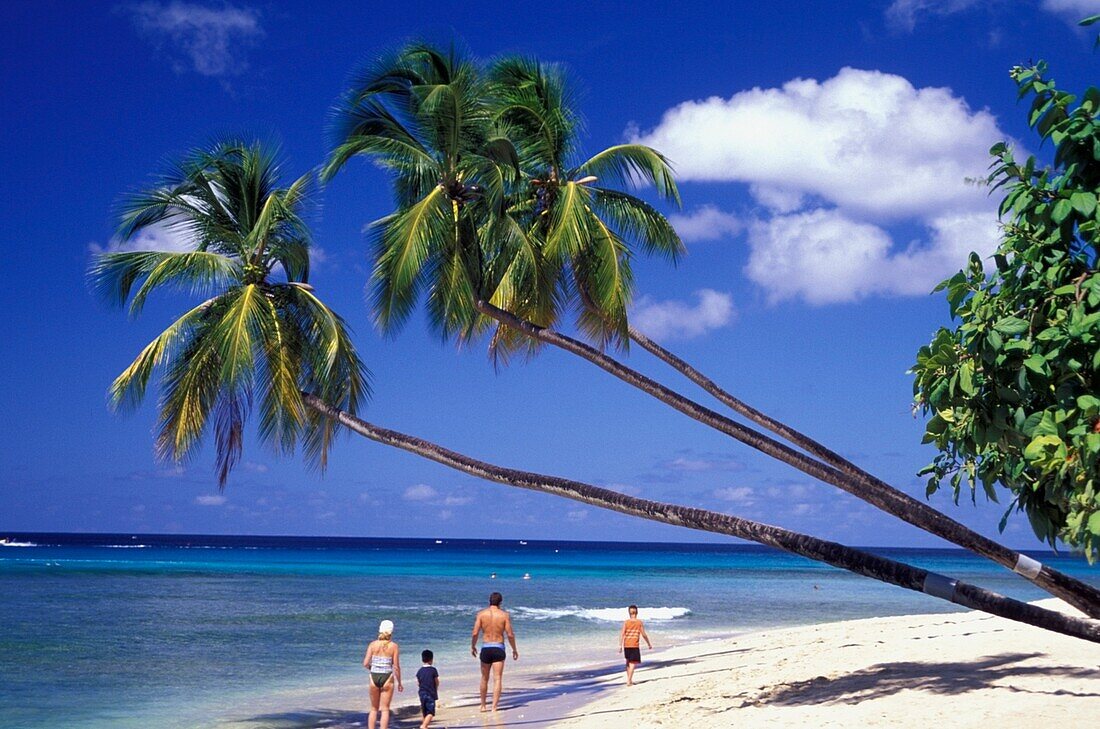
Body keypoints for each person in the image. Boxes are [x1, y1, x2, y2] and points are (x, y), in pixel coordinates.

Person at [470, 591, 519, 712]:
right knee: (497, 678)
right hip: (498, 647)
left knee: (484, 678)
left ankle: (482, 706)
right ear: (500, 602)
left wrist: (473, 646)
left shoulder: (481, 614)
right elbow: (510, 634)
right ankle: (494, 707)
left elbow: (475, 633)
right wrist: (514, 649)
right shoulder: (504, 615)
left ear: (489, 601)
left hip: (486, 648)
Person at [363, 619, 403, 729]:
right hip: (387, 677)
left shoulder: (372, 644)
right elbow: (396, 667)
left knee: (373, 708)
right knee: (385, 709)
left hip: (374, 676)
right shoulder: (394, 646)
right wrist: (399, 682)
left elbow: (365, 663)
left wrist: (372, 668)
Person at [618, 605, 652, 686]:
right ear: (637, 612)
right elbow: (643, 634)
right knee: (633, 663)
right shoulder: (639, 622)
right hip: (634, 645)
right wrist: (648, 643)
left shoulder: (626, 622)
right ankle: (629, 681)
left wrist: (620, 645)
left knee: (628, 662)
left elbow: (622, 634)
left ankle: (629, 679)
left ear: (629, 613)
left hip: (626, 645)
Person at [416, 649, 440, 729]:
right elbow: (436, 681)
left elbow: (418, 683)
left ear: (422, 659)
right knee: (431, 712)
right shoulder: (433, 670)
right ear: (431, 659)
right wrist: (436, 688)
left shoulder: (420, 671)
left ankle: (425, 725)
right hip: (430, 693)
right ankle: (424, 726)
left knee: (424, 710)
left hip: (421, 693)